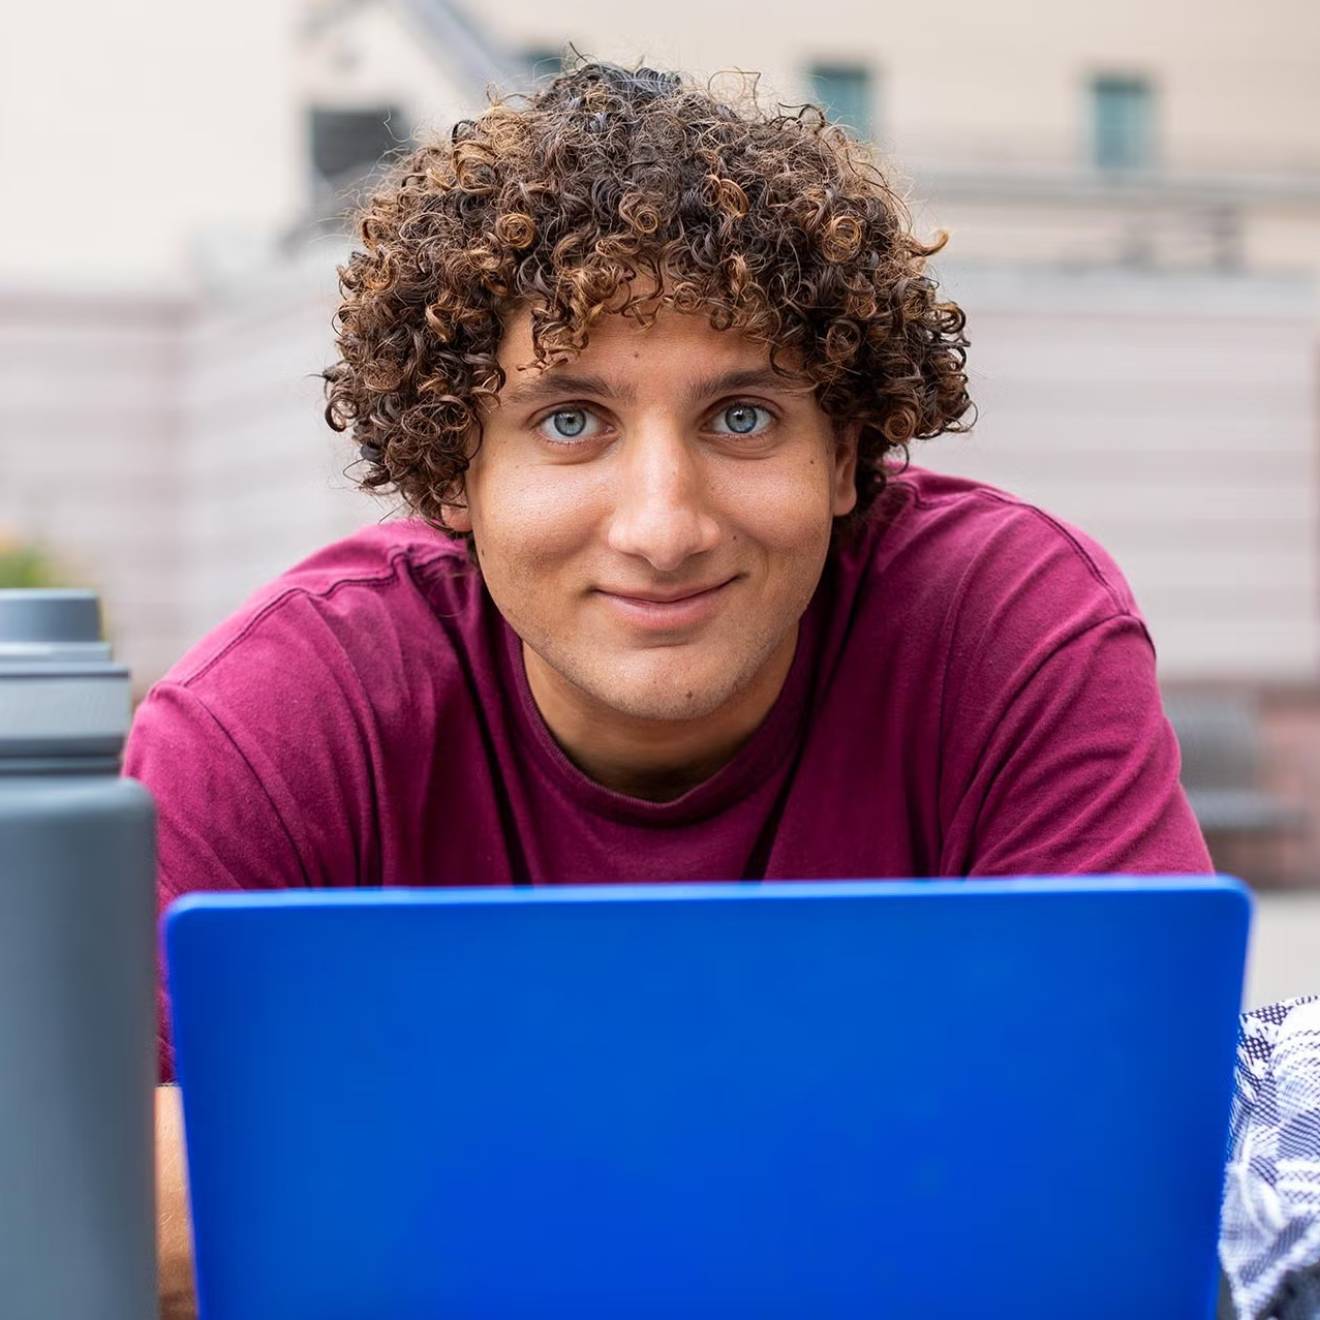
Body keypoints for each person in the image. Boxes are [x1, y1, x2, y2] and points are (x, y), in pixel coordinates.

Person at [129, 60, 1212, 1316]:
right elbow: (86, 1195)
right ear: (449, 475)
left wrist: (385, 1184)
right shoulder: (273, 716)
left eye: (743, 417)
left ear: (848, 454)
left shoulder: (1007, 627)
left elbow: (1135, 1152)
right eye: (570, 421)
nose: (663, 526)